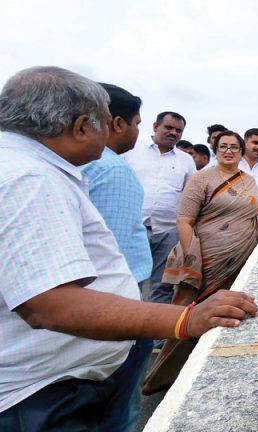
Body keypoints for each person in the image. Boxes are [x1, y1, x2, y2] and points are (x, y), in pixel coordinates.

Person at [0, 66, 258, 431]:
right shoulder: (30, 179)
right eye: (106, 122)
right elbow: (49, 303)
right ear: (83, 126)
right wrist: (186, 319)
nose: (116, 132)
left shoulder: (24, 168)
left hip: (49, 386)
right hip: (38, 396)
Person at [144, 131, 258, 391]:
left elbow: (254, 214)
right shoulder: (201, 179)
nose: (228, 151)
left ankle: (209, 372)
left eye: (234, 147)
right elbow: (184, 221)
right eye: (223, 147)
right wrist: (192, 257)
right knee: (189, 314)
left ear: (241, 152)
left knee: (226, 314)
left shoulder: (249, 180)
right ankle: (163, 377)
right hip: (206, 258)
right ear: (216, 150)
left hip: (239, 259)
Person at [80, 83, 152, 432]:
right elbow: (111, 255)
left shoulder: (77, 166)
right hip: (114, 304)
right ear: (119, 124)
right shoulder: (112, 170)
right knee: (120, 404)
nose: (138, 131)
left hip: (85, 308)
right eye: (138, 123)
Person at [124, 111, 196, 306]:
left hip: (168, 231)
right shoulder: (132, 150)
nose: (173, 133)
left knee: (163, 284)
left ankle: (156, 332)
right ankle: (130, 328)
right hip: (133, 227)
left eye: (178, 130)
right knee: (130, 281)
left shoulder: (186, 160)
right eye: (168, 127)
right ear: (156, 127)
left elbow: (190, 196)